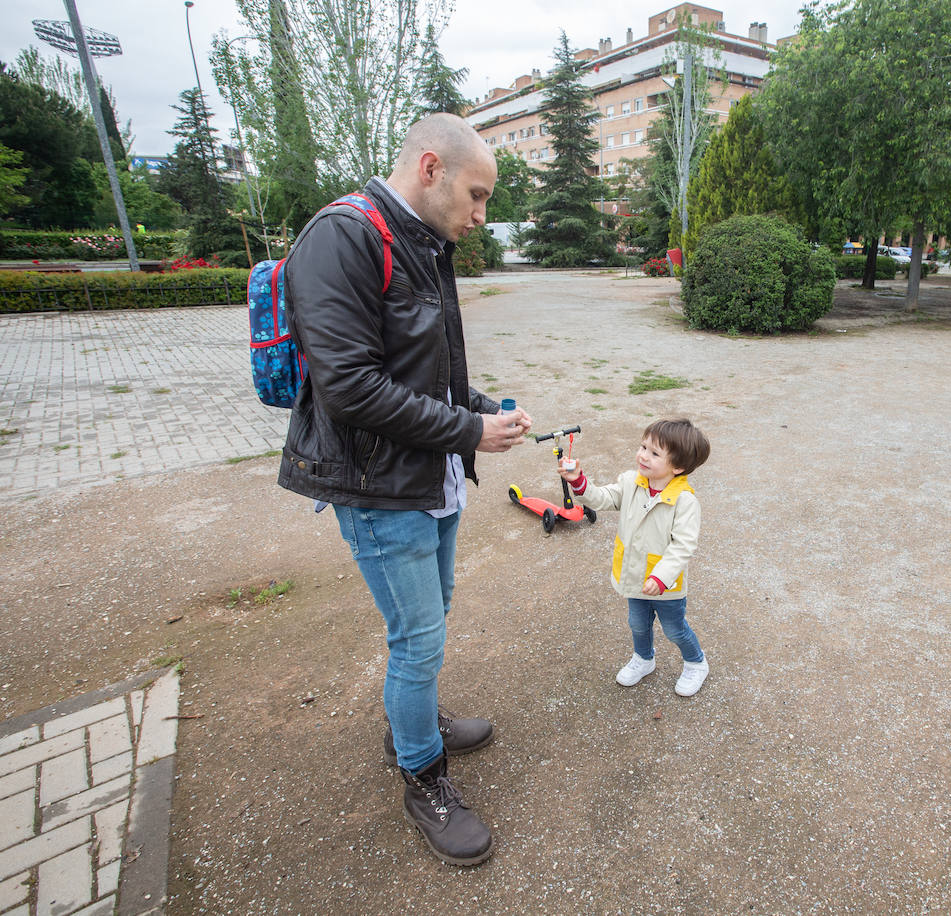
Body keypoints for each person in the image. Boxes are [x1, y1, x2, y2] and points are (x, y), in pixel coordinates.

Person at [276, 113, 530, 867]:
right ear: (430, 167)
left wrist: (481, 410)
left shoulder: (422, 241)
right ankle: (424, 777)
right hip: (378, 487)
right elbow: (349, 388)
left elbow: (429, 367)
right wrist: (465, 433)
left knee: (431, 619)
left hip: (426, 476)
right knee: (417, 639)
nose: (481, 216)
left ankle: (412, 723)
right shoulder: (342, 237)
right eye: (477, 196)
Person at [559, 418, 712, 697]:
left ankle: (695, 662)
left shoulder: (685, 501)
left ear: (678, 467)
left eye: (654, 453)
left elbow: (683, 546)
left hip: (665, 585)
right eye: (643, 446)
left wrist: (661, 577)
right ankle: (644, 658)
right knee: (638, 624)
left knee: (674, 630)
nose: (643, 455)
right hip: (634, 576)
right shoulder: (631, 482)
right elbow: (604, 498)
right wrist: (579, 482)